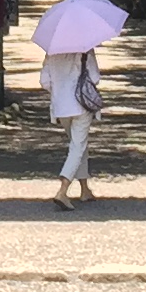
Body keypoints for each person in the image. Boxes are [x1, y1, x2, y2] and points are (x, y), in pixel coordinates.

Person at [44, 42, 103, 208]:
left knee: (78, 145)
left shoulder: (52, 51)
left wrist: (59, 91)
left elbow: (44, 81)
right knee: (77, 147)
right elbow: (95, 77)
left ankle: (85, 189)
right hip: (81, 105)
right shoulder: (85, 48)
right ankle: (63, 190)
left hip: (61, 107)